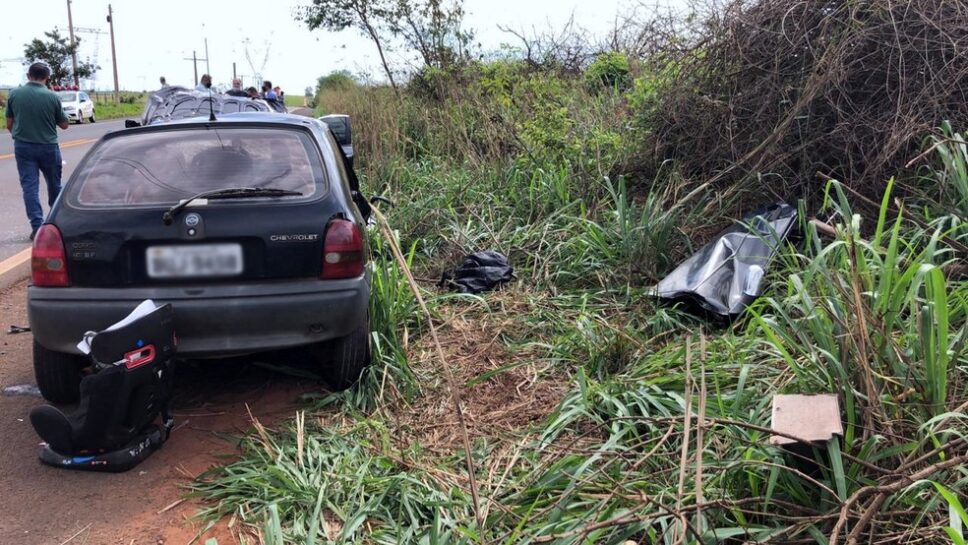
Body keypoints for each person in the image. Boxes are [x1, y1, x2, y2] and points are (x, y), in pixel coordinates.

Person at [5, 63, 69, 240]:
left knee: (30, 188)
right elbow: (64, 125)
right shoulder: (52, 96)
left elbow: (9, 124)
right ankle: (57, 224)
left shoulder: (15, 94)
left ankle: (37, 228)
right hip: (48, 147)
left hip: (23, 146)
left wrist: (21, 135)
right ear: (47, 77)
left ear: (28, 75)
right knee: (55, 185)